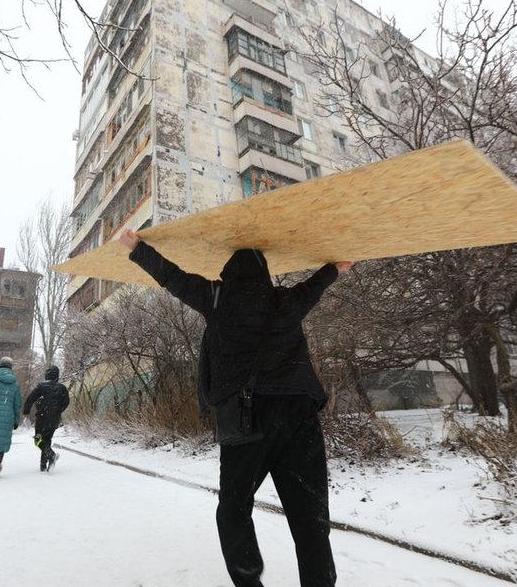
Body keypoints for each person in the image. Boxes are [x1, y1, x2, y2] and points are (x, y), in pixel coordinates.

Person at [119, 228, 353, 587]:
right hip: (298, 413)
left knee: (234, 509)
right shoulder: (285, 300)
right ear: (265, 273)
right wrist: (335, 268)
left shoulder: (218, 298)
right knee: (310, 513)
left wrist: (138, 248)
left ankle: (248, 580)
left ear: (228, 274)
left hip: (247, 417)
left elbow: (173, 278)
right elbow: (314, 287)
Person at [23, 365, 70, 472]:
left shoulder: (41, 386)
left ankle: (51, 455)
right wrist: (59, 410)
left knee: (38, 440)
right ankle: (44, 465)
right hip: (55, 419)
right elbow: (66, 402)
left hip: (42, 417)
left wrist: (26, 411)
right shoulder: (62, 388)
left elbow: (30, 399)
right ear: (57, 376)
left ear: (47, 375)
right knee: (47, 440)